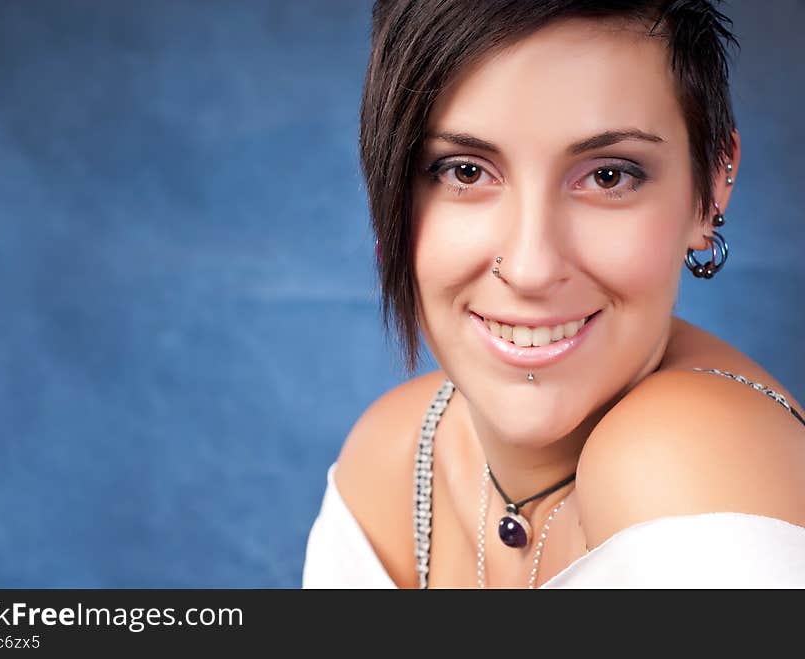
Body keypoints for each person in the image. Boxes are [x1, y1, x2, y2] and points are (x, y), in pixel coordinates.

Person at [302, 0, 805, 588]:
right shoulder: (400, 451)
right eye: (464, 172)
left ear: (712, 185)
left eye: (609, 175)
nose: (531, 267)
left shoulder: (686, 454)